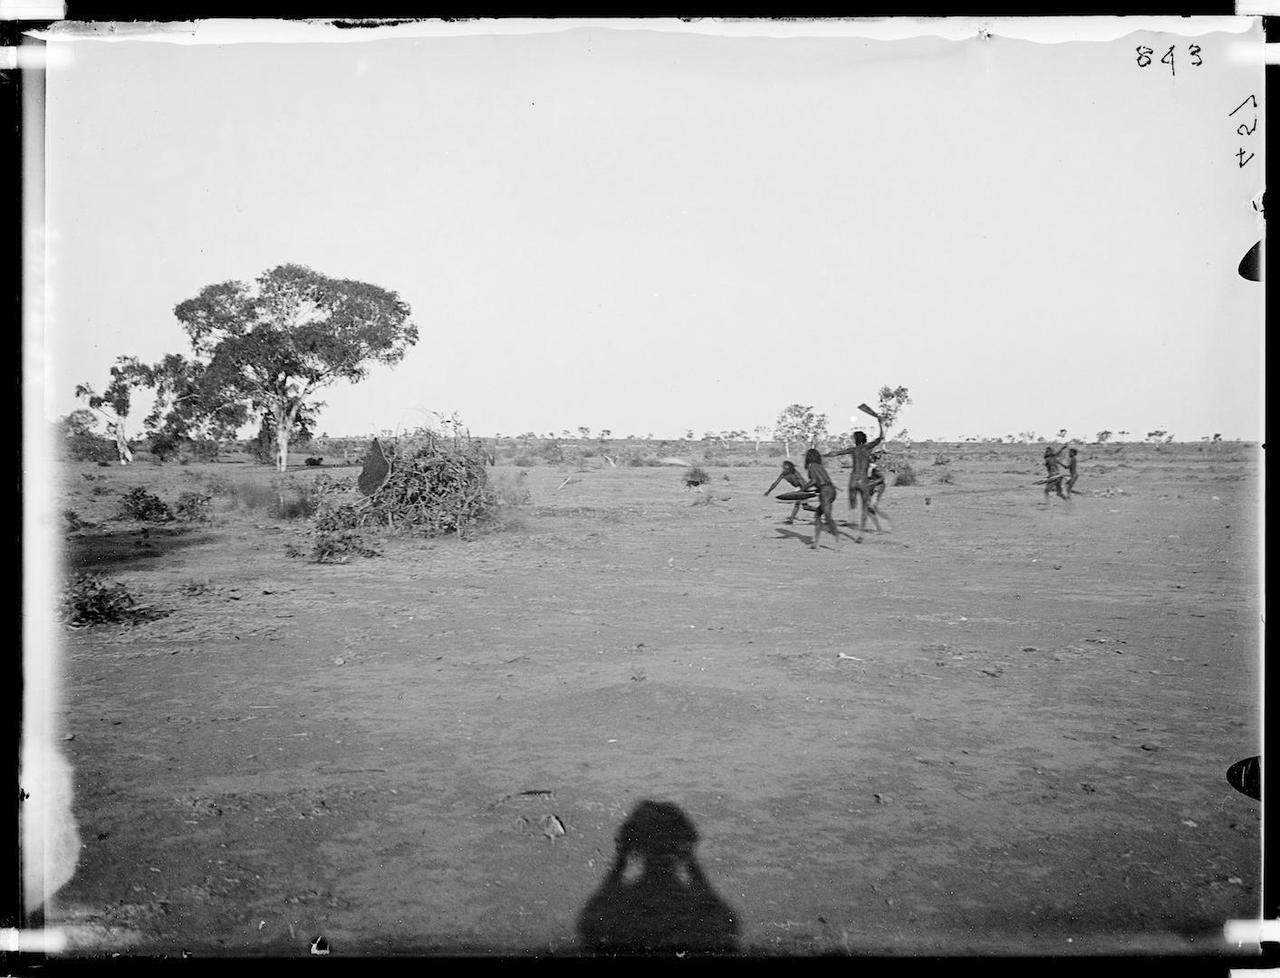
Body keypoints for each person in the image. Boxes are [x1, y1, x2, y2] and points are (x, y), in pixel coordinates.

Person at [825, 417, 885, 533]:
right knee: (865, 506)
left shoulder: (853, 449)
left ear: (856, 440)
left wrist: (822, 455)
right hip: (863, 480)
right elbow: (881, 437)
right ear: (865, 439)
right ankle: (861, 532)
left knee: (853, 503)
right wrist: (880, 423)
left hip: (853, 480)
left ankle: (852, 520)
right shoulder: (868, 447)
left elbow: (835, 453)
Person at [801, 448, 841, 550]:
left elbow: (814, 480)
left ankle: (837, 540)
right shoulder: (820, 466)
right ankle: (816, 542)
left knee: (828, 517)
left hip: (825, 492)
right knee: (818, 514)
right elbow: (823, 481)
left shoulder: (812, 466)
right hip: (831, 491)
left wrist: (802, 489)